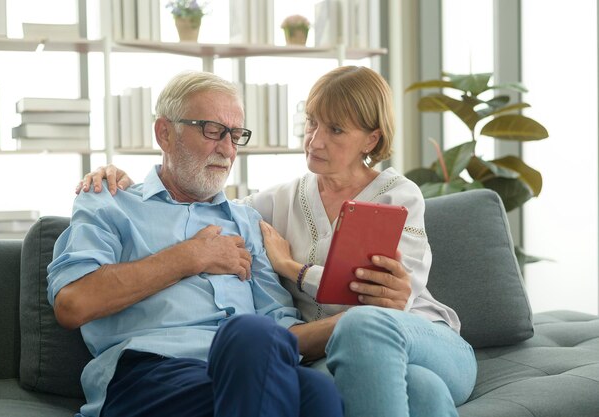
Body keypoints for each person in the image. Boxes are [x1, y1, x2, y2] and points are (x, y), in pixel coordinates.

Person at [77, 66, 478, 417]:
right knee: (419, 391)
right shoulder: (264, 207)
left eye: (335, 130)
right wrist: (118, 179)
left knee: (356, 330)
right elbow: (193, 202)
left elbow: (387, 305)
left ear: (370, 140)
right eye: (311, 123)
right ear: (164, 132)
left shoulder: (397, 196)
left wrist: (293, 270)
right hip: (315, 352)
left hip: (410, 332)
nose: (315, 141)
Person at [49, 70, 344, 417]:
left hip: (243, 369)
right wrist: (190, 256)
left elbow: (281, 331)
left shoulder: (247, 222)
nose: (228, 149)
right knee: (255, 339)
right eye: (213, 131)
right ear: (165, 133)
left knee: (316, 387)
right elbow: (73, 303)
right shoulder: (109, 203)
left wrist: (360, 320)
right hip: (150, 373)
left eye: (235, 135)